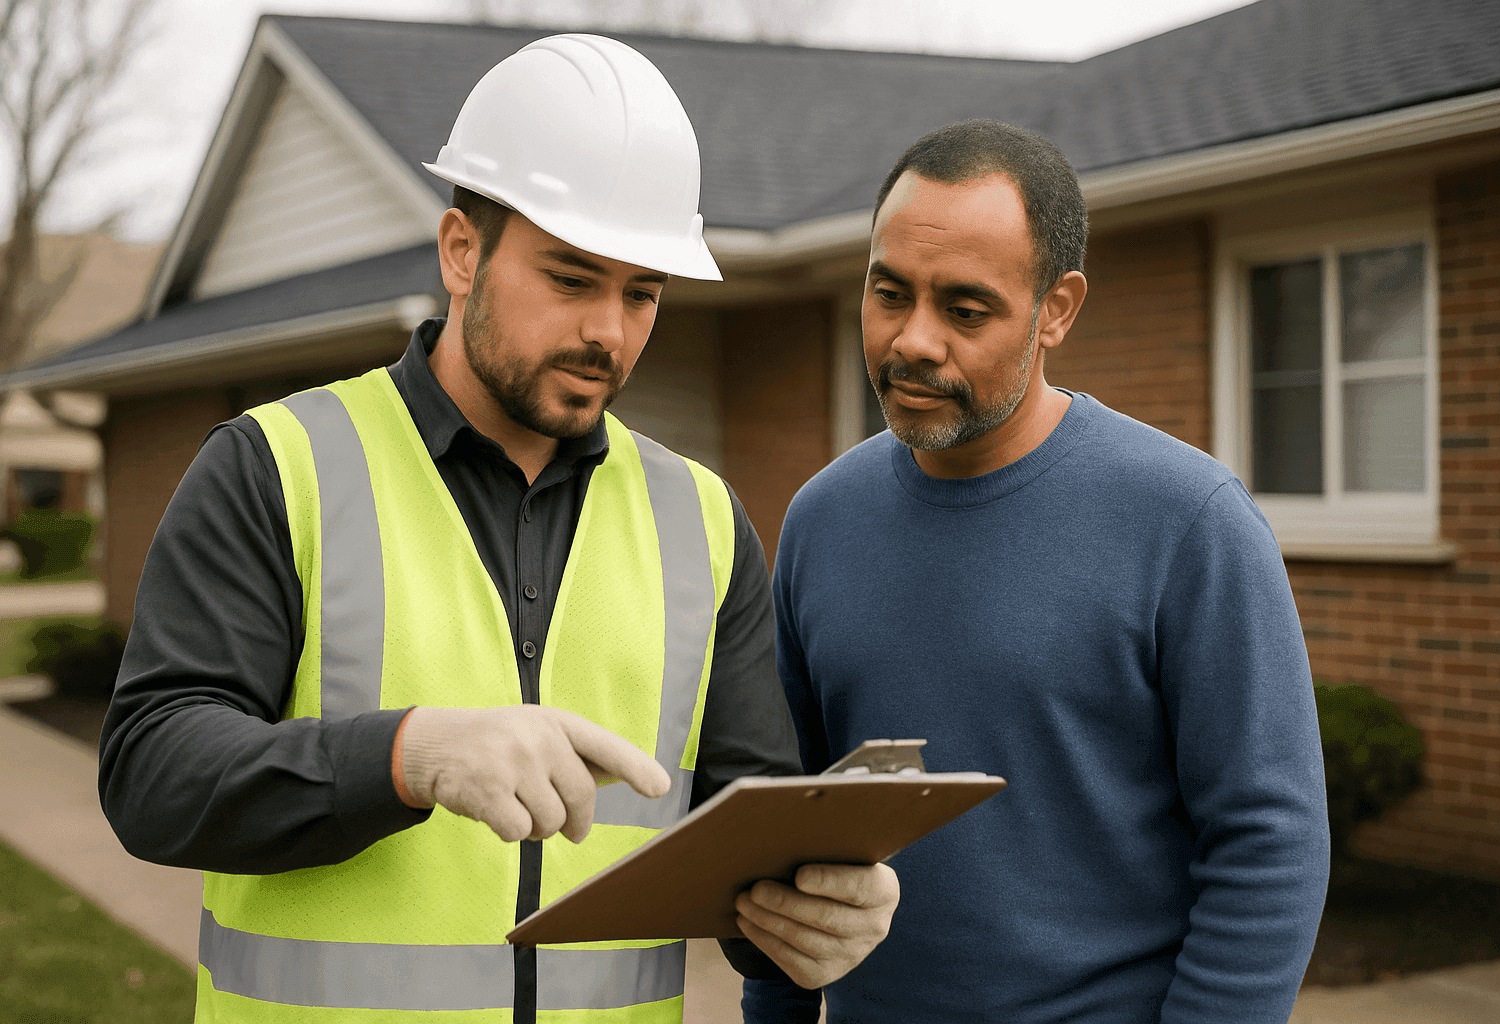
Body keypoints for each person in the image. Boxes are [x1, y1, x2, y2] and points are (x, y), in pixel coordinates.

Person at [98, 34, 897, 1023]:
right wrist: (408, 756)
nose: (611, 329)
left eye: (642, 291)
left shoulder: (702, 523)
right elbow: (153, 772)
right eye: (572, 277)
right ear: (461, 252)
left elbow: (742, 848)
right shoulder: (276, 467)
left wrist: (815, 907)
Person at [746, 119, 1330, 1023]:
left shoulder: (1188, 521)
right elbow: (787, 831)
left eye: (965, 309)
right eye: (889, 294)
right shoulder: (823, 518)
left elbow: (1270, 843)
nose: (913, 341)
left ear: (1056, 309)